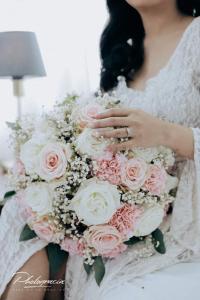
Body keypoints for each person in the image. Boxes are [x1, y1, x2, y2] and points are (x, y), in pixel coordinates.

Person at [1, 1, 200, 299]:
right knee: (21, 213)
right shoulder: (123, 50)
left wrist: (166, 133)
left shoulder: (196, 37)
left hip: (176, 224)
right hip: (116, 220)